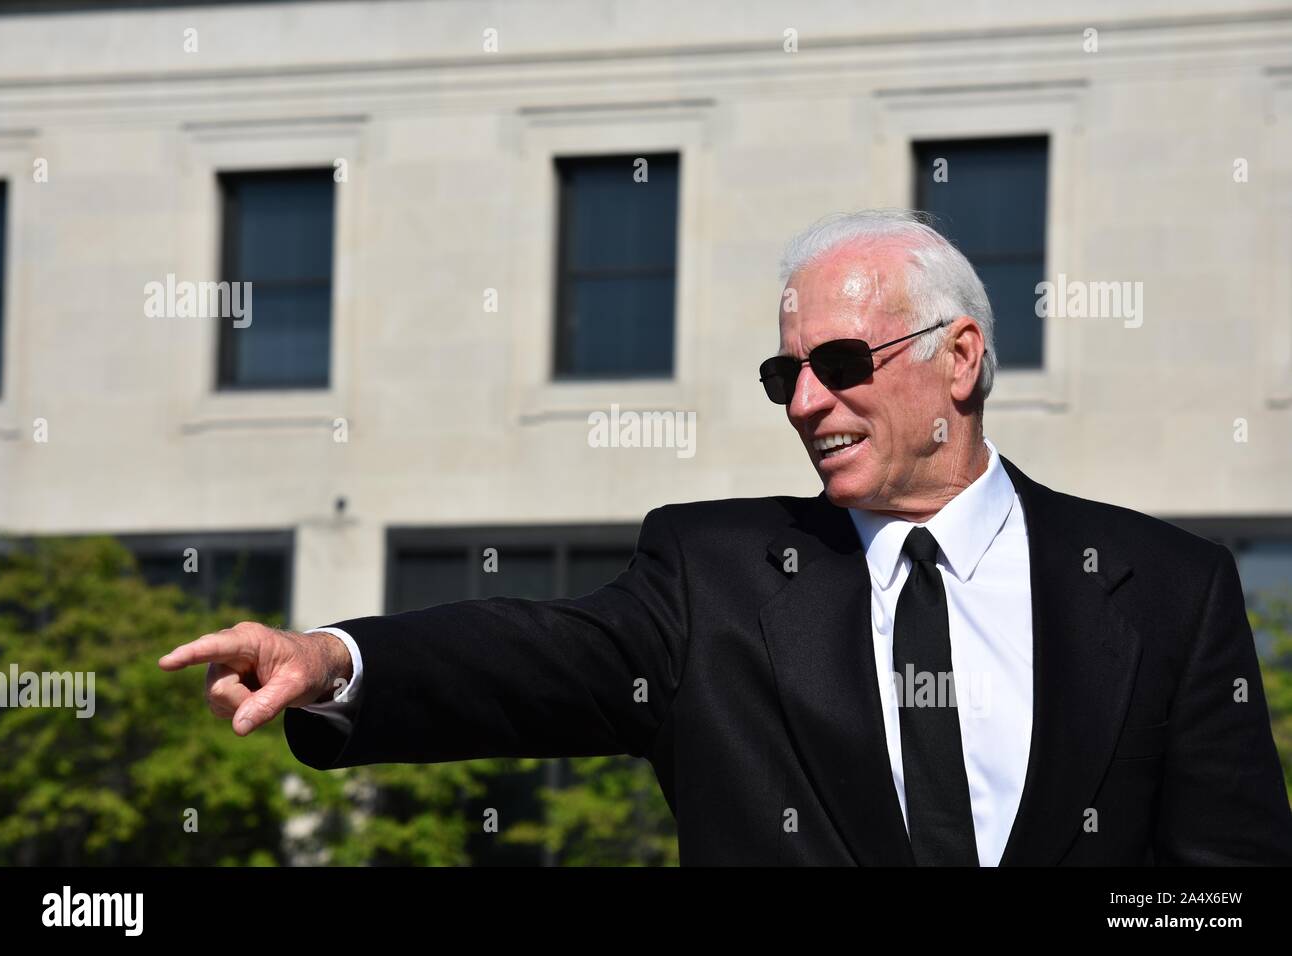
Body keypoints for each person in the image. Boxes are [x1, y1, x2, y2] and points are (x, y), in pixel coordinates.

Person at [160, 209, 1292, 865]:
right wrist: (334, 662)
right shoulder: (714, 578)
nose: (804, 401)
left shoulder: (1165, 587)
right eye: (783, 373)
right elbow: (531, 653)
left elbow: (1227, 879)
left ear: (959, 360)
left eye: (840, 364)